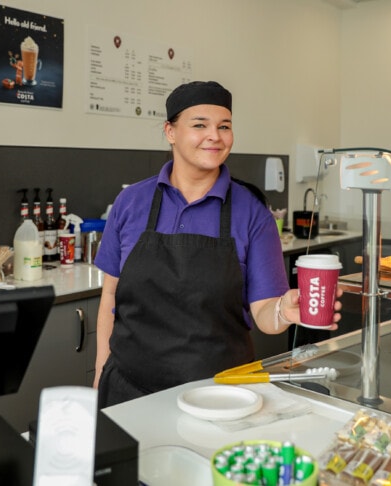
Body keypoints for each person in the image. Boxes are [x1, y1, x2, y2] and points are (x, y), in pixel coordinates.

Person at [93, 80, 344, 407]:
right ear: (170, 132)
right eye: (200, 125)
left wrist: (285, 309)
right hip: (128, 389)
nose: (215, 135)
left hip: (219, 396)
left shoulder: (252, 212)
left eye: (224, 126)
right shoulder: (131, 202)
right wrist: (101, 372)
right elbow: (110, 296)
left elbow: (265, 313)